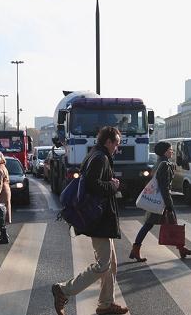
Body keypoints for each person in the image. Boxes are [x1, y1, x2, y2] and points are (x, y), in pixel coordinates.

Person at [52, 126, 128, 315]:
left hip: (101, 217)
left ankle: (105, 304)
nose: (117, 148)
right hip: (98, 219)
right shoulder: (100, 158)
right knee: (103, 264)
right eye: (116, 143)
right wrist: (112, 185)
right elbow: (94, 185)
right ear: (108, 142)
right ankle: (63, 290)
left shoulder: (96, 155)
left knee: (111, 264)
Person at [129, 141, 191, 262]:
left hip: (158, 200)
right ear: (165, 151)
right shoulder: (164, 164)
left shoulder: (159, 162)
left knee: (170, 224)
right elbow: (164, 186)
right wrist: (168, 203)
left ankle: (182, 248)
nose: (172, 151)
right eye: (170, 149)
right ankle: (136, 249)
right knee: (149, 225)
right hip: (161, 201)